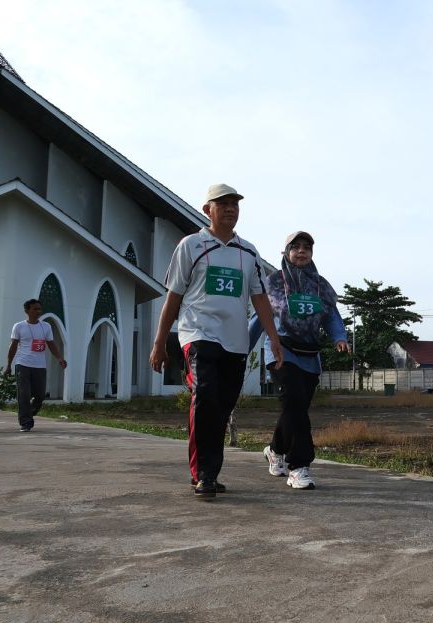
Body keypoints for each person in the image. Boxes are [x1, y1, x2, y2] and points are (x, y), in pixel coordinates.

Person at [150, 183, 283, 500]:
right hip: (198, 333)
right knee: (205, 396)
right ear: (207, 209)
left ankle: (209, 470)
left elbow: (260, 298)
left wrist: (274, 340)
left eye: (235, 204)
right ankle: (204, 474)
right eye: (222, 204)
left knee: (222, 407)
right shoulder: (191, 246)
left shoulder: (248, 252)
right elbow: (174, 297)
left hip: (236, 343)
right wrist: (158, 343)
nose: (230, 209)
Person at [248, 231, 350, 490]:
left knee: (296, 408)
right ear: (286, 252)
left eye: (307, 248)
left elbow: (331, 316)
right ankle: (298, 466)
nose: (301, 252)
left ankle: (275, 449)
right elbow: (261, 315)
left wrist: (339, 337)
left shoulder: (320, 286)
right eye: (296, 247)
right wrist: (243, 347)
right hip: (281, 350)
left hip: (309, 354)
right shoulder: (274, 282)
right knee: (293, 402)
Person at [6, 299, 67, 432]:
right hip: (23, 364)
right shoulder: (19, 326)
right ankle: (25, 423)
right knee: (24, 394)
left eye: (39, 309)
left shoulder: (46, 326)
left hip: (40, 366)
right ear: (27, 311)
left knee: (40, 395)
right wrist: (8, 364)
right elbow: (13, 346)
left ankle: (29, 413)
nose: (38, 311)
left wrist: (59, 358)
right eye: (35, 309)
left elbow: (51, 344)